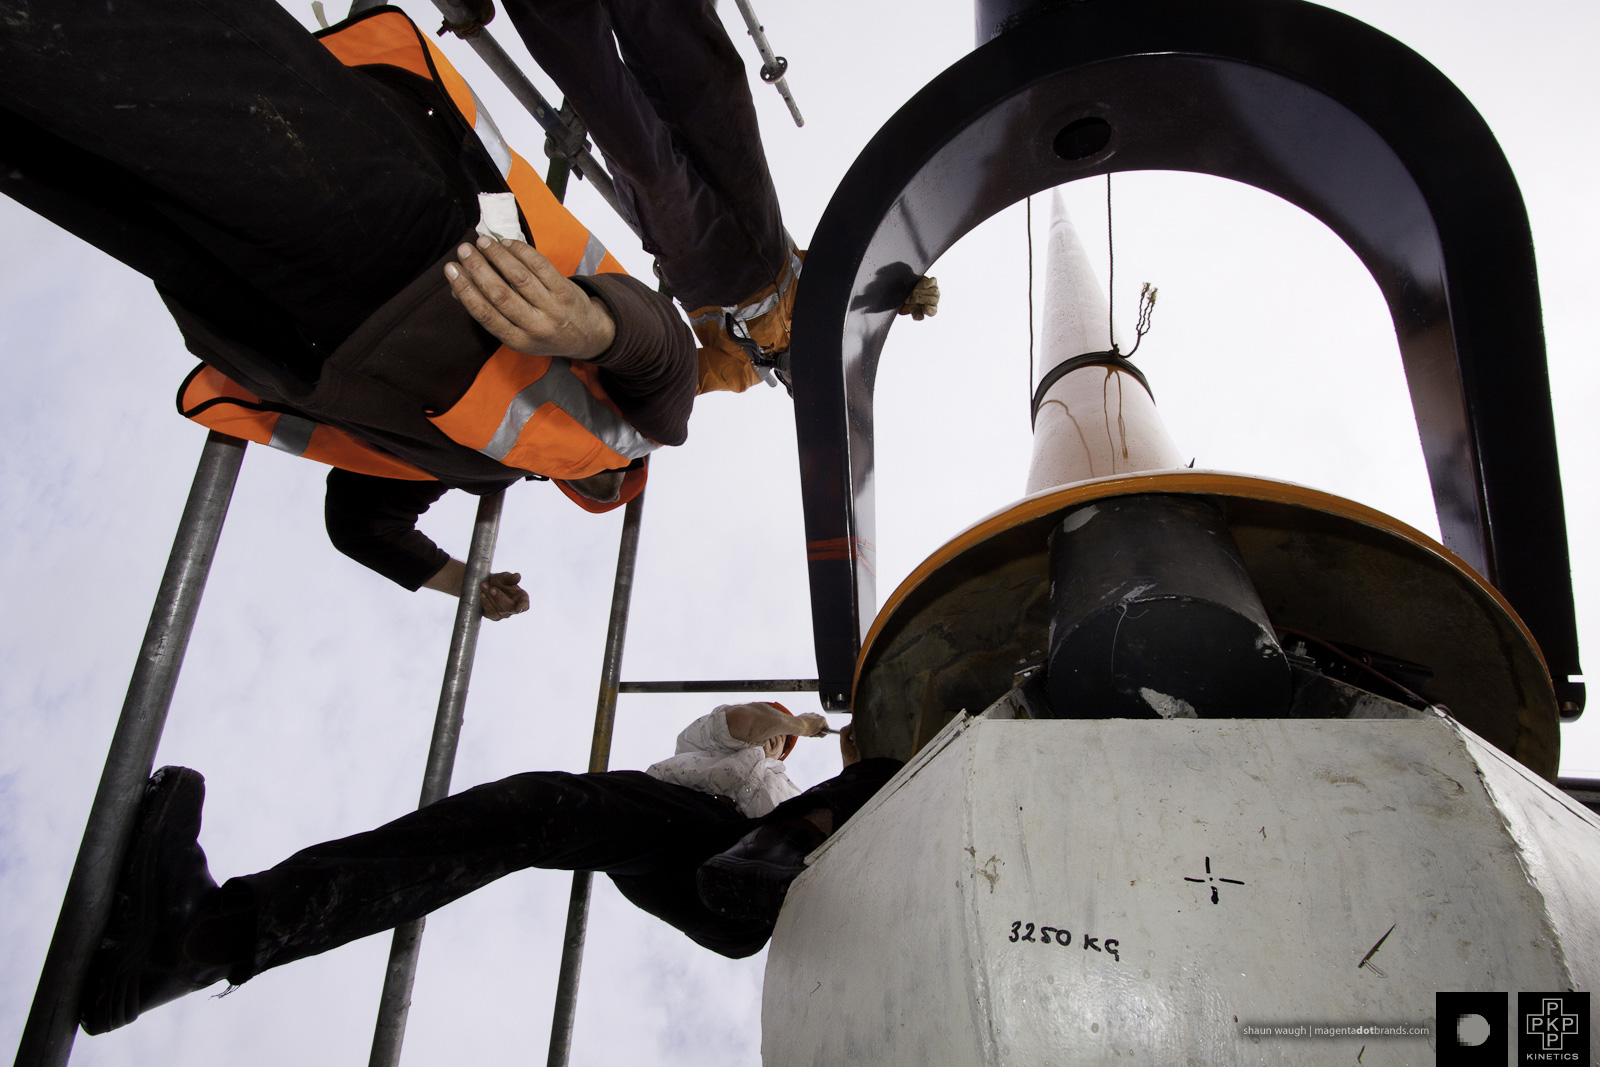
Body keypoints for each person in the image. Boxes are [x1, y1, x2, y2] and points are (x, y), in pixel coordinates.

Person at [0, 0, 699, 620]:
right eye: (611, 483)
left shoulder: (482, 465)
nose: (599, 478)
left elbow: (361, 527)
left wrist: (467, 583)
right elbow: (667, 353)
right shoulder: (646, 426)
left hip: (282, 331)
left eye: (595, 488)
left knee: (63, 152)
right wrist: (592, 325)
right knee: (161, 58)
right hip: (410, 239)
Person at [80, 702, 904, 1035]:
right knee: (518, 815)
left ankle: (766, 867)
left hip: (774, 885)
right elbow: (730, 723)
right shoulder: (731, 756)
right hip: (678, 835)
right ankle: (212, 938)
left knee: (875, 783)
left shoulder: (866, 796)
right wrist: (782, 718)